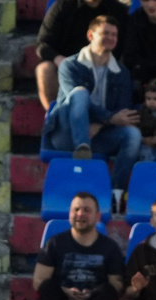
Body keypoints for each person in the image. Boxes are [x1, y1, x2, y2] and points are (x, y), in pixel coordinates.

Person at [43, 12, 142, 187]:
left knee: (133, 135)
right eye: (105, 33)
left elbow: (122, 111)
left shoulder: (122, 72)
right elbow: (74, 100)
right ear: (90, 35)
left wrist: (102, 124)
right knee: (80, 93)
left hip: (100, 133)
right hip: (67, 133)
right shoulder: (69, 65)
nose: (111, 38)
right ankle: (82, 147)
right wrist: (109, 119)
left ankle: (113, 190)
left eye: (114, 35)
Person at [32, 190, 127, 300]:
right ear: (69, 214)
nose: (80, 214)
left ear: (97, 216)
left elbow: (117, 286)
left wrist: (92, 293)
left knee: (109, 290)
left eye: (86, 210)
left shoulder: (110, 248)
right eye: (76, 209)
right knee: (47, 286)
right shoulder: (55, 243)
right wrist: (67, 292)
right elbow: (38, 281)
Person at [33, 0, 126, 110]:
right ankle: (54, 115)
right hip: (67, 64)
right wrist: (60, 60)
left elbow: (126, 45)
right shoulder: (63, 6)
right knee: (45, 69)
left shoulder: (117, 10)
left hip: (104, 64)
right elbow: (42, 44)